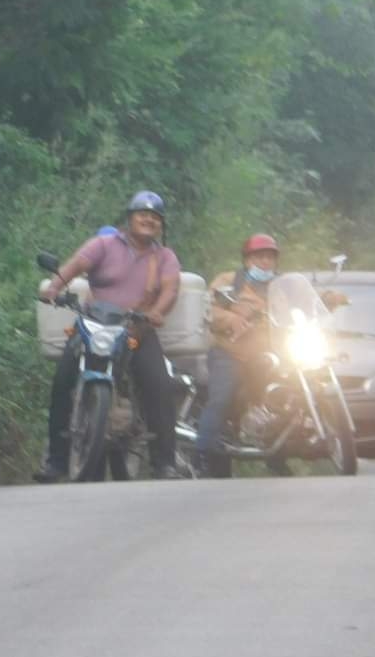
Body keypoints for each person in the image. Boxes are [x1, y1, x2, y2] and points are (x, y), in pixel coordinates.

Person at [34, 190, 182, 482]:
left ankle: (164, 463)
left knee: (160, 386)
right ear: (129, 218)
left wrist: (157, 312)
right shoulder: (104, 244)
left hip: (135, 330)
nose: (148, 221)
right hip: (93, 324)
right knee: (63, 380)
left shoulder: (164, 257)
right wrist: (53, 287)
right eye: (142, 215)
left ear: (161, 226)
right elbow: (74, 265)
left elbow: (170, 289)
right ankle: (57, 461)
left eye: (155, 218)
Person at [195, 233, 280, 477]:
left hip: (269, 356)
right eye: (259, 257)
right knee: (220, 398)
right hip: (230, 352)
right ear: (247, 260)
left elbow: (302, 304)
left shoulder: (279, 286)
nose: (265, 262)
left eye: (270, 258)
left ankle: (278, 455)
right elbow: (208, 308)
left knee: (284, 396)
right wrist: (231, 318)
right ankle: (201, 454)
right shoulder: (230, 281)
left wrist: (328, 300)